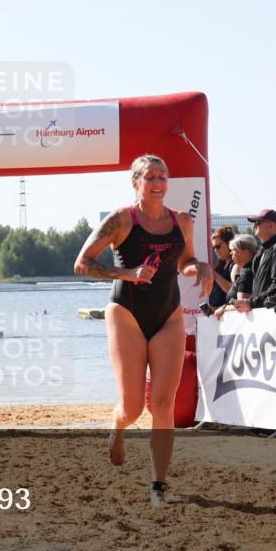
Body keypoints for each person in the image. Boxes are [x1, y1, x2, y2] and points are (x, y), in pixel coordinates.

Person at [74, 154, 212, 508]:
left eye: (162, 176)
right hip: (127, 313)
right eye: (149, 177)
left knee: (163, 404)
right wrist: (128, 273)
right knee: (134, 408)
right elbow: (82, 263)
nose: (157, 183)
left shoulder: (181, 221)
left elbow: (186, 262)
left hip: (168, 314)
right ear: (135, 183)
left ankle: (157, 486)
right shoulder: (121, 219)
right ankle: (118, 427)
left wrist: (202, 268)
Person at [230, 209, 276, 313]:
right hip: (259, 312)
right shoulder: (260, 251)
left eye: (258, 222)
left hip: (271, 313)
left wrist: (252, 303)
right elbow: (257, 286)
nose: (254, 226)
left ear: (271, 225)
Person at [214, 235, 258, 319]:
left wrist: (223, 309)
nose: (230, 253)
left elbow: (241, 305)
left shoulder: (246, 272)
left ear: (246, 251)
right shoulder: (249, 269)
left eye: (233, 250)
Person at [207, 227, 235, 310]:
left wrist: (213, 273)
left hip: (230, 317)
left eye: (218, 246)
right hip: (219, 317)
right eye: (214, 247)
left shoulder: (236, 265)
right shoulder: (222, 265)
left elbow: (233, 290)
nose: (215, 250)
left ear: (229, 244)